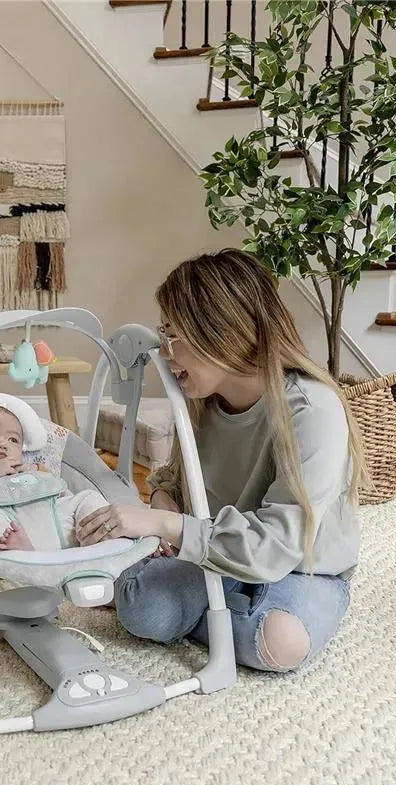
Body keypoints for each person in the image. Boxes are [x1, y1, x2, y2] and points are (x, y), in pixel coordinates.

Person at [76, 249, 367, 673]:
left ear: (221, 331)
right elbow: (174, 480)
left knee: (278, 644)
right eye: (162, 333)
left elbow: (278, 546)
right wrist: (162, 502)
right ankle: (205, 604)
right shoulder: (200, 402)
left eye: (173, 335)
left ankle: (198, 608)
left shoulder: (312, 410)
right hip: (216, 552)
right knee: (146, 612)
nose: (164, 351)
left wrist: (165, 526)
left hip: (301, 568)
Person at [0, 403, 108, 551]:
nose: (2, 444)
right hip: (10, 528)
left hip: (57, 524)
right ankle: (16, 547)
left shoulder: (31, 468)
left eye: (13, 440)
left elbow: (59, 491)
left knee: (88, 497)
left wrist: (35, 471)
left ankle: (96, 534)